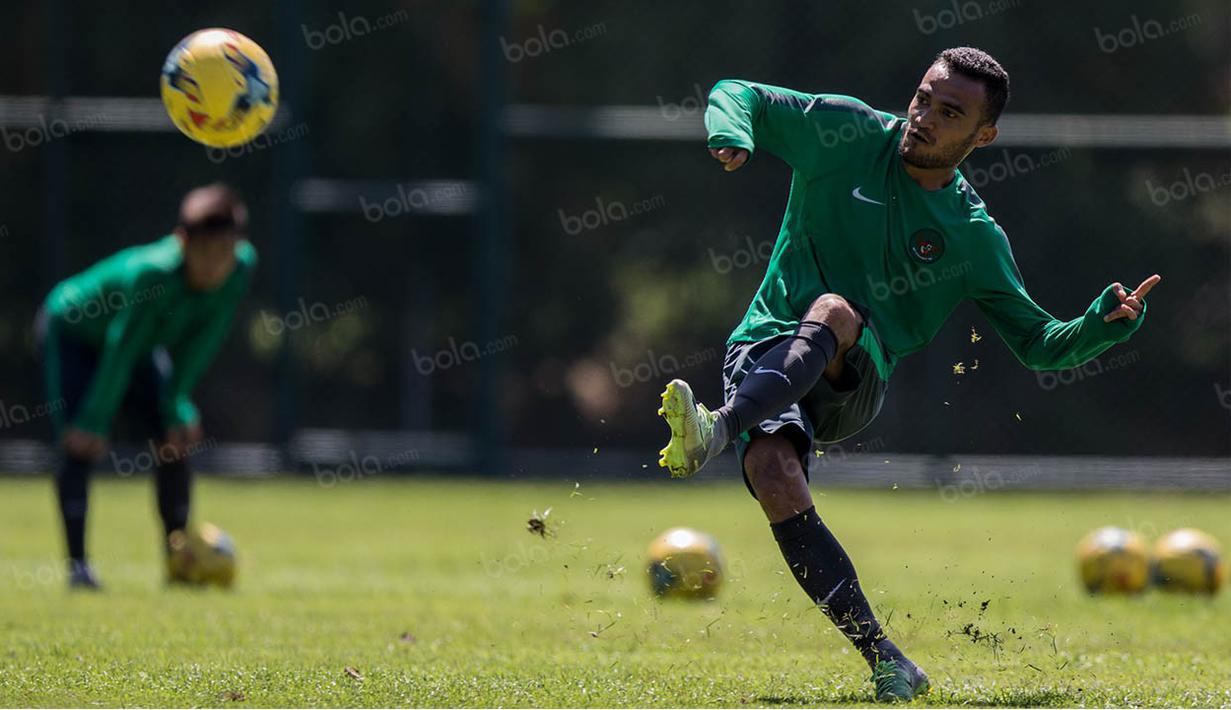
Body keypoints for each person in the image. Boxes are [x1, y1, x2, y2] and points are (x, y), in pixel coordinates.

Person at [655, 47, 1158, 701]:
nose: (923, 117)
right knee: (773, 476)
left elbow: (1038, 343)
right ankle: (888, 661)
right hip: (763, 350)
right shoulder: (847, 132)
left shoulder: (972, 235)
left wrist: (1100, 324)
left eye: (949, 112)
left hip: (856, 383)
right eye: (922, 97)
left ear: (983, 136)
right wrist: (732, 132)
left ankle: (717, 428)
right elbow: (735, 90)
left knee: (834, 312)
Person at [38, 183, 257, 589]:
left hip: (138, 348)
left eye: (224, 253)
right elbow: (121, 349)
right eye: (205, 253)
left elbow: (204, 342)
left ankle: (178, 562)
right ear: (181, 241)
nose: (214, 267)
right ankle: (78, 568)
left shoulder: (241, 268)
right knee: (80, 442)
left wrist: (177, 404)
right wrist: (94, 419)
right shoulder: (151, 274)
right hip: (74, 333)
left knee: (174, 438)